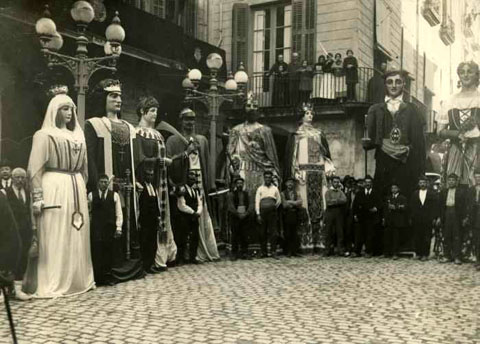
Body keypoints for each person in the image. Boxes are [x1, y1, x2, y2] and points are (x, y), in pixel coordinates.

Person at [24, 93, 94, 297]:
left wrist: (83, 188)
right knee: (56, 231)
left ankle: (77, 278)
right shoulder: (44, 135)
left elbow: (85, 169)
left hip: (76, 187)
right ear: (54, 111)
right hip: (54, 186)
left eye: (72, 108)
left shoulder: (79, 136)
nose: (70, 112)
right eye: (65, 108)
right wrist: (38, 198)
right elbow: (35, 170)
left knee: (76, 230)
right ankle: (55, 278)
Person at [85, 79, 144, 283]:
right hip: (105, 186)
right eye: (113, 96)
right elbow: (90, 158)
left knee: (126, 220)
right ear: (104, 99)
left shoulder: (129, 127)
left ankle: (127, 260)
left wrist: (136, 179)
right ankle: (107, 267)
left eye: (119, 96)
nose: (118, 99)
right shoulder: (93, 124)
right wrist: (94, 186)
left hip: (126, 183)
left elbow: (135, 158)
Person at [166, 108, 220, 262]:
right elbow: (169, 162)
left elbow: (206, 163)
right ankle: (182, 254)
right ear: (181, 121)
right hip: (182, 184)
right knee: (182, 221)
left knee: (200, 216)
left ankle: (200, 251)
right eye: (186, 119)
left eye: (192, 119)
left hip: (199, 184)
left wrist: (210, 184)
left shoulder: (201, 140)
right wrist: (185, 153)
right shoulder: (173, 140)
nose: (189, 122)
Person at [363, 70, 426, 199]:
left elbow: (419, 142)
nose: (393, 86)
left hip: (405, 161)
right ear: (385, 85)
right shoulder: (375, 109)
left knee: (404, 195)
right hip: (383, 159)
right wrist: (366, 142)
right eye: (389, 82)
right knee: (382, 196)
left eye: (398, 82)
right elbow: (371, 138)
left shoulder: (413, 110)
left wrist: (418, 165)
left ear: (403, 84)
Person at [284, 103, 334, 252]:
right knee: (304, 207)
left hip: (319, 175)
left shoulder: (319, 134)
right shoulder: (296, 135)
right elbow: (292, 157)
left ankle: (321, 243)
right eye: (307, 113)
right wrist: (296, 171)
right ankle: (306, 244)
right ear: (301, 116)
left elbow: (326, 155)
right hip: (304, 176)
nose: (310, 115)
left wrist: (328, 167)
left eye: (312, 113)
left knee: (321, 207)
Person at [135, 96, 177, 271]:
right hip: (148, 182)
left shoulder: (158, 134)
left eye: (156, 111)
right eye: (151, 110)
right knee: (149, 221)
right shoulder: (138, 132)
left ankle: (163, 255)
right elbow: (139, 158)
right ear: (143, 112)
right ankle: (149, 259)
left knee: (161, 219)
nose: (155, 114)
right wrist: (159, 161)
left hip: (161, 183)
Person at [437, 61, 480, 188]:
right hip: (456, 149)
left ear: (476, 75)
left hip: (478, 149)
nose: (466, 75)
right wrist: (457, 134)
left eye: (470, 72)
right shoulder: (450, 100)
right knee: (455, 186)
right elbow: (440, 131)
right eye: (462, 72)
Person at [228, 93, 281, 196]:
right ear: (244, 109)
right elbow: (230, 153)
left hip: (262, 170)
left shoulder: (266, 131)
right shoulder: (236, 130)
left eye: (255, 106)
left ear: (259, 110)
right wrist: (234, 161)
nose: (252, 108)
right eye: (248, 106)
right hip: (243, 169)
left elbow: (271, 155)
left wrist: (273, 172)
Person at [88, 174, 123, 285]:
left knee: (108, 252)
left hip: (109, 228)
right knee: (97, 252)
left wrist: (118, 228)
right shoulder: (91, 195)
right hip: (96, 229)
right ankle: (98, 278)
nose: (104, 184)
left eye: (106, 182)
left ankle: (108, 277)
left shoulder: (114, 195)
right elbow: (89, 213)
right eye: (102, 181)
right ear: (98, 183)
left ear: (108, 183)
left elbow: (119, 213)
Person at [4, 168, 32, 300]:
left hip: (25, 232)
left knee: (22, 259)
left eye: (22, 178)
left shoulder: (27, 192)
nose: (20, 180)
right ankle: (4, 290)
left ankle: (18, 290)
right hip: (11, 232)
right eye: (17, 177)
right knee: (8, 259)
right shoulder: (6, 193)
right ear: (12, 178)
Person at [439, 173, 470, 264]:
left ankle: (457, 257)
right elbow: (440, 206)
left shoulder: (461, 192)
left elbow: (464, 206)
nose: (451, 182)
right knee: (447, 235)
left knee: (457, 236)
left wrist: (464, 217)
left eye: (453, 180)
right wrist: (440, 217)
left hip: (457, 215)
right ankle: (447, 255)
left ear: (456, 182)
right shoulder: (443, 192)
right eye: (449, 180)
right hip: (447, 213)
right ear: (447, 181)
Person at [410, 175, 440, 261]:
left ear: (427, 183)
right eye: (421, 183)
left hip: (428, 219)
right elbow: (412, 207)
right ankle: (418, 253)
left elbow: (435, 207)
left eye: (424, 183)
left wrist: (434, 217)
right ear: (418, 184)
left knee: (427, 236)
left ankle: (425, 254)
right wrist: (412, 217)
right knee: (417, 236)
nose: (422, 184)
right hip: (417, 219)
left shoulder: (432, 194)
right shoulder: (415, 193)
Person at [176, 170, 202, 264]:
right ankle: (181, 258)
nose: (192, 180)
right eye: (190, 179)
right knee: (182, 237)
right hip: (185, 217)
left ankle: (193, 257)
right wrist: (192, 212)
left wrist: (198, 212)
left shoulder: (196, 190)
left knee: (195, 237)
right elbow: (181, 205)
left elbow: (199, 203)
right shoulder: (182, 189)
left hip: (194, 217)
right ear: (186, 179)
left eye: (193, 179)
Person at [352, 175, 381, 258]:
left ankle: (368, 251)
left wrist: (376, 208)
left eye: (369, 182)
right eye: (366, 182)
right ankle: (357, 251)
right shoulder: (360, 193)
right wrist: (355, 214)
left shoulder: (375, 193)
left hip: (371, 217)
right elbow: (355, 205)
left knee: (370, 235)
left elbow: (380, 204)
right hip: (361, 217)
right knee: (359, 234)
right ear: (364, 183)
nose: (367, 184)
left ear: (371, 183)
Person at [256, 171, 281, 258]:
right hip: (262, 213)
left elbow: (278, 201)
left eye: (269, 177)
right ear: (264, 178)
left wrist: (272, 207)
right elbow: (257, 202)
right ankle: (263, 252)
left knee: (273, 232)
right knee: (262, 232)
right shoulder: (260, 189)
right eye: (266, 177)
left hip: (272, 213)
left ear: (271, 178)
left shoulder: (275, 188)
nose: (267, 179)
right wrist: (258, 214)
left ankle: (273, 252)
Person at [227, 177, 252, 260]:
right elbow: (231, 206)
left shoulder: (247, 194)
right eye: (238, 183)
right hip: (235, 217)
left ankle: (244, 252)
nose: (239, 185)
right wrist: (238, 214)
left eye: (241, 183)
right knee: (235, 235)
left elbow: (251, 205)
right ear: (235, 184)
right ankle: (234, 253)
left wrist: (246, 213)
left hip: (245, 217)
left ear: (243, 184)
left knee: (245, 235)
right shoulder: (231, 194)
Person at [383, 182, 408, 259]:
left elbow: (405, 207)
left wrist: (396, 207)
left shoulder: (402, 198)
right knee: (388, 236)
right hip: (389, 220)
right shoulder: (388, 198)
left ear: (398, 189)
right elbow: (385, 209)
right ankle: (387, 252)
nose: (393, 190)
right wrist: (384, 218)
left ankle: (395, 253)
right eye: (392, 188)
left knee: (396, 238)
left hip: (398, 221)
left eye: (395, 188)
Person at [324, 176, 347, 256]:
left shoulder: (340, 192)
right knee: (328, 232)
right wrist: (338, 201)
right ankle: (328, 250)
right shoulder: (328, 192)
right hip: (330, 213)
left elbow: (344, 200)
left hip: (338, 214)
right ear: (331, 182)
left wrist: (334, 201)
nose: (336, 183)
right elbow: (328, 202)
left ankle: (340, 250)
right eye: (335, 182)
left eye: (338, 182)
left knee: (340, 232)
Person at [281, 178, 303, 257]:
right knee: (287, 233)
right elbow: (284, 205)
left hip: (295, 214)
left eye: (291, 183)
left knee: (295, 233)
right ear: (286, 184)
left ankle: (294, 251)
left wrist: (290, 202)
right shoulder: (283, 193)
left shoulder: (296, 193)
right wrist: (295, 203)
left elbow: (300, 203)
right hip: (287, 215)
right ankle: (288, 251)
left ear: (293, 184)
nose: (290, 184)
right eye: (288, 182)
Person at [470, 171, 480, 270]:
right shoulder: (471, 190)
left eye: (479, 177)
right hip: (475, 219)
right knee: (477, 240)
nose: (478, 179)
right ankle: (478, 259)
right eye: (476, 178)